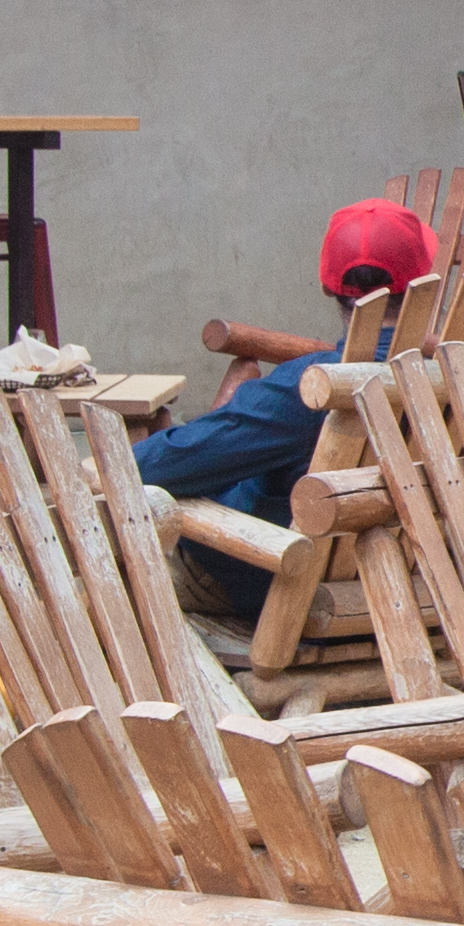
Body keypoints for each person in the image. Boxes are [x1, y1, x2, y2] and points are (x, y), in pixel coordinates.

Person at [137, 194, 432, 616]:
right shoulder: (452, 375)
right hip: (408, 591)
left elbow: (154, 465)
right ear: (426, 283)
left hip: (275, 587)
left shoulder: (311, 389)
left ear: (327, 287)